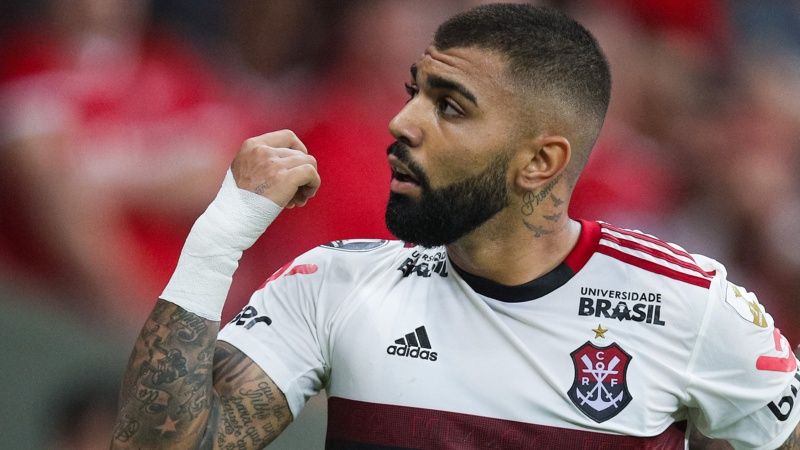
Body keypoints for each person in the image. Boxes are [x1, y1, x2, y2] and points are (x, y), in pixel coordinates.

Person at [111, 4, 800, 449]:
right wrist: (218, 238)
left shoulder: (689, 307)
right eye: (415, 92)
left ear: (540, 162)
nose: (401, 122)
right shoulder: (332, 284)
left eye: (450, 107)